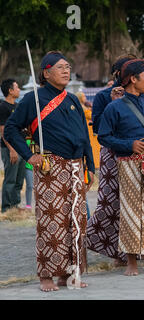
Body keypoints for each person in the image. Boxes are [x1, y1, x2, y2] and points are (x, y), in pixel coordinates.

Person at [4, 51, 95, 291]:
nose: (66, 71)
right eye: (60, 67)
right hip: (50, 168)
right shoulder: (33, 99)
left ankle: (70, 273)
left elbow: (85, 136)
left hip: (77, 168)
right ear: (46, 72)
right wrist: (29, 155)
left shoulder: (74, 100)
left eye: (68, 67)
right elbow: (11, 129)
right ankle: (46, 276)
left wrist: (91, 165)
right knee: (51, 221)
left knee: (76, 222)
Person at [98, 59, 144, 275]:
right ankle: (131, 261)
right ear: (133, 79)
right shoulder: (114, 107)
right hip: (129, 164)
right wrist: (128, 144)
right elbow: (104, 136)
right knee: (132, 212)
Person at [86, 54, 137, 267]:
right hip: (113, 155)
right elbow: (98, 128)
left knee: (137, 201)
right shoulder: (104, 96)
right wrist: (115, 105)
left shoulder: (141, 94)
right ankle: (116, 252)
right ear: (118, 74)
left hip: (138, 152)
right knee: (112, 202)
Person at [0, 79, 26, 213]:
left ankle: (15, 206)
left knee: (19, 180)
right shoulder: (3, 107)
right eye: (17, 87)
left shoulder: (17, 106)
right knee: (10, 179)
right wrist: (12, 150)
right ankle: (6, 208)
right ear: (10, 91)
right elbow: (3, 132)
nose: (19, 89)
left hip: (21, 148)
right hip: (10, 149)